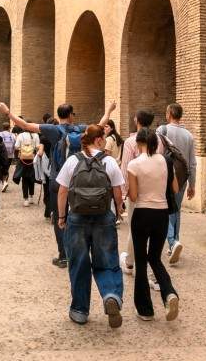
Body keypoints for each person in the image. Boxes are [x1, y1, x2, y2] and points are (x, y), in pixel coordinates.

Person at [0, 100, 116, 269]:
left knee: (60, 218)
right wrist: (109, 110)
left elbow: (24, 125)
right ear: (70, 115)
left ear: (59, 116)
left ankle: (63, 255)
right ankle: (79, 253)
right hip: (79, 180)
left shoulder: (53, 130)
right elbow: (100, 124)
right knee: (79, 215)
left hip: (58, 179)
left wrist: (8, 112)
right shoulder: (81, 129)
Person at [56, 124, 125, 327]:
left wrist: (62, 217)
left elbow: (62, 192)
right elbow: (118, 192)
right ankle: (111, 294)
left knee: (78, 264)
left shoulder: (72, 161)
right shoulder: (109, 162)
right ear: (98, 140)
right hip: (104, 217)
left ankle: (79, 311)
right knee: (107, 261)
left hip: (76, 218)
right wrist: (119, 210)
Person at [127, 128, 180, 321]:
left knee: (141, 261)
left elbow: (133, 196)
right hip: (162, 215)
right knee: (155, 258)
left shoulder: (134, 164)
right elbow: (174, 188)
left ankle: (145, 310)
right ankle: (169, 293)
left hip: (142, 213)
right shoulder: (166, 161)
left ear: (138, 144)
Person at [156, 102, 197, 264]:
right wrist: (192, 184)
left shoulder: (162, 131)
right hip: (182, 178)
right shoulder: (189, 135)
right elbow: (192, 163)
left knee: (165, 211)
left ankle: (173, 242)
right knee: (176, 210)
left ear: (169, 114)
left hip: (165, 177)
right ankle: (175, 241)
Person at [119, 109, 155, 275]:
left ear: (136, 120)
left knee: (135, 227)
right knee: (152, 229)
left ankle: (130, 262)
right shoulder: (159, 139)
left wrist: (122, 194)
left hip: (136, 190)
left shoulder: (131, 141)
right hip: (156, 189)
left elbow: (126, 168)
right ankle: (149, 263)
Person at [15, 126, 40, 206]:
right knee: (32, 178)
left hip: (22, 159)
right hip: (33, 159)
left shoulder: (20, 135)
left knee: (24, 179)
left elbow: (16, 146)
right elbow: (37, 147)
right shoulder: (35, 135)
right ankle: (31, 197)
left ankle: (25, 199)